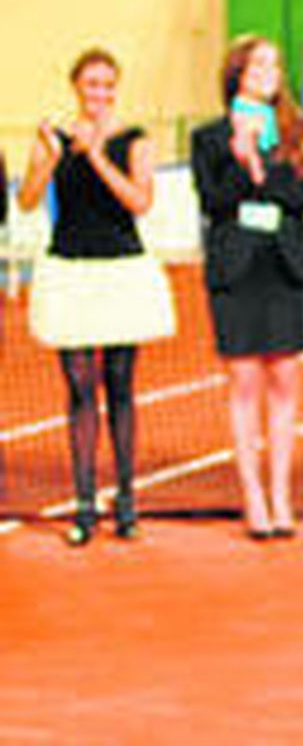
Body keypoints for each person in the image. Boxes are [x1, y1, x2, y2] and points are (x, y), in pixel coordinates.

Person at [19, 48, 174, 546]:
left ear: (116, 89)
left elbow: (139, 201)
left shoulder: (135, 140)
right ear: (77, 88)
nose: (100, 94)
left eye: (108, 85)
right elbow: (26, 200)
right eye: (91, 85)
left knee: (121, 386)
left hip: (122, 271)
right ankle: (85, 505)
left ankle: (126, 502)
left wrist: (96, 156)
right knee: (80, 389)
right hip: (70, 271)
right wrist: (52, 155)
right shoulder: (54, 139)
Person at [191, 35, 303, 541]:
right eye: (258, 62)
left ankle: (283, 493)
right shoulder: (209, 137)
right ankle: (253, 497)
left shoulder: (300, 130)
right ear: (237, 72)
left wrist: (258, 167)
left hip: (283, 264)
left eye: (274, 62)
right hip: (235, 267)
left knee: (285, 381)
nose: (269, 70)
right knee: (244, 383)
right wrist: (238, 160)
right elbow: (213, 201)